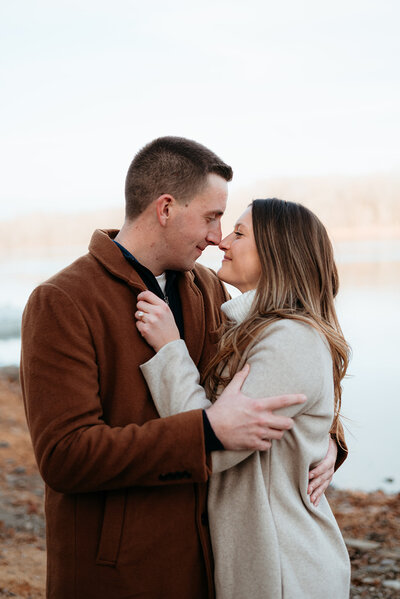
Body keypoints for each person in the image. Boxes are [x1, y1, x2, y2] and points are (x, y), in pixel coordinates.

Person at [20, 137, 345, 599]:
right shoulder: (64, 300)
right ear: (166, 208)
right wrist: (207, 433)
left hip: (210, 567)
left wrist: (325, 438)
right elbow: (65, 456)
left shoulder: (209, 290)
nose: (217, 238)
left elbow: (287, 362)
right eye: (212, 217)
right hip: (120, 574)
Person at [135, 198, 351, 598]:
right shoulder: (256, 328)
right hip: (265, 560)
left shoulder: (290, 339)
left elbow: (212, 446)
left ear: (276, 251)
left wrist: (169, 349)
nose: (223, 241)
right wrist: (326, 442)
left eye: (239, 232)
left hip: (286, 569)